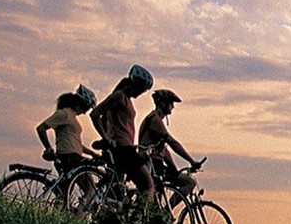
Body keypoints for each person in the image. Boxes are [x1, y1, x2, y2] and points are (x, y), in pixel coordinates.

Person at [91, 64, 155, 201]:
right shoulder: (119, 96)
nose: (141, 93)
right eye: (142, 89)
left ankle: (116, 219)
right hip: (124, 149)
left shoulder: (125, 99)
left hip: (122, 148)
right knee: (148, 186)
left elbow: (103, 120)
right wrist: (106, 137)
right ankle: (138, 220)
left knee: (117, 194)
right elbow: (95, 114)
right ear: (136, 85)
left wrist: (108, 136)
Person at [139, 88, 203, 196]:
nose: (173, 106)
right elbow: (172, 142)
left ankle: (165, 212)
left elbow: (164, 150)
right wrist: (191, 161)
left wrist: (174, 169)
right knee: (189, 182)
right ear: (163, 103)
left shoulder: (154, 119)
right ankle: (167, 211)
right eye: (171, 103)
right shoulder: (155, 120)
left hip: (155, 165)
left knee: (186, 182)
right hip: (151, 165)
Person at [35, 84, 98, 173]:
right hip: (68, 157)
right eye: (86, 108)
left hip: (74, 156)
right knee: (89, 185)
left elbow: (76, 143)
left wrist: (92, 153)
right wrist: (48, 148)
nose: (84, 113)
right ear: (79, 104)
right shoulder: (64, 113)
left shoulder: (72, 117)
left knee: (72, 186)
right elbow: (41, 129)